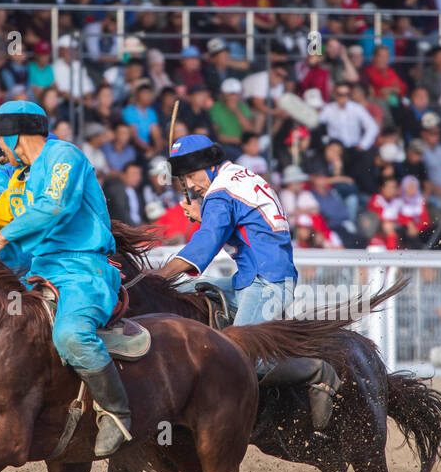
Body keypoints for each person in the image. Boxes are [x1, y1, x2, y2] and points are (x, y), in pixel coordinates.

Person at [147, 134, 342, 432]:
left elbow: (203, 248)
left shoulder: (220, 194)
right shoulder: (239, 177)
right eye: (184, 178)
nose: (189, 186)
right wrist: (205, 214)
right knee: (181, 294)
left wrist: (157, 277)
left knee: (242, 359)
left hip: (268, 281)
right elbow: (244, 220)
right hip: (250, 278)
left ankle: (317, 371)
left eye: (191, 175)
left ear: (210, 166)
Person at [0, 101, 131, 458]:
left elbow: (55, 205)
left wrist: (0, 238)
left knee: (71, 335)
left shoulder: (65, 155)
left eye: (1, 139)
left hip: (83, 271)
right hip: (39, 270)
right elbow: (27, 238)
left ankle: (117, 413)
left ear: (14, 135)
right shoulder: (27, 176)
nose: (0, 148)